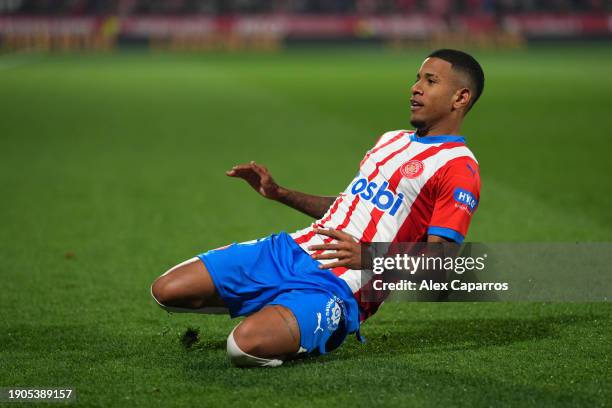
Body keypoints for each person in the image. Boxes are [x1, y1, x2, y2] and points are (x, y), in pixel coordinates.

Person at [151, 49, 484, 367]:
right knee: (167, 291)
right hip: (296, 249)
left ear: (460, 98)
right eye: (417, 79)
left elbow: (441, 263)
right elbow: (347, 208)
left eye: (430, 81)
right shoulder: (391, 140)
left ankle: (303, 320)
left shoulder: (458, 168)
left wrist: (368, 257)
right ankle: (279, 307)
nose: (415, 88)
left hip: (342, 286)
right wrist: (280, 193)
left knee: (243, 348)